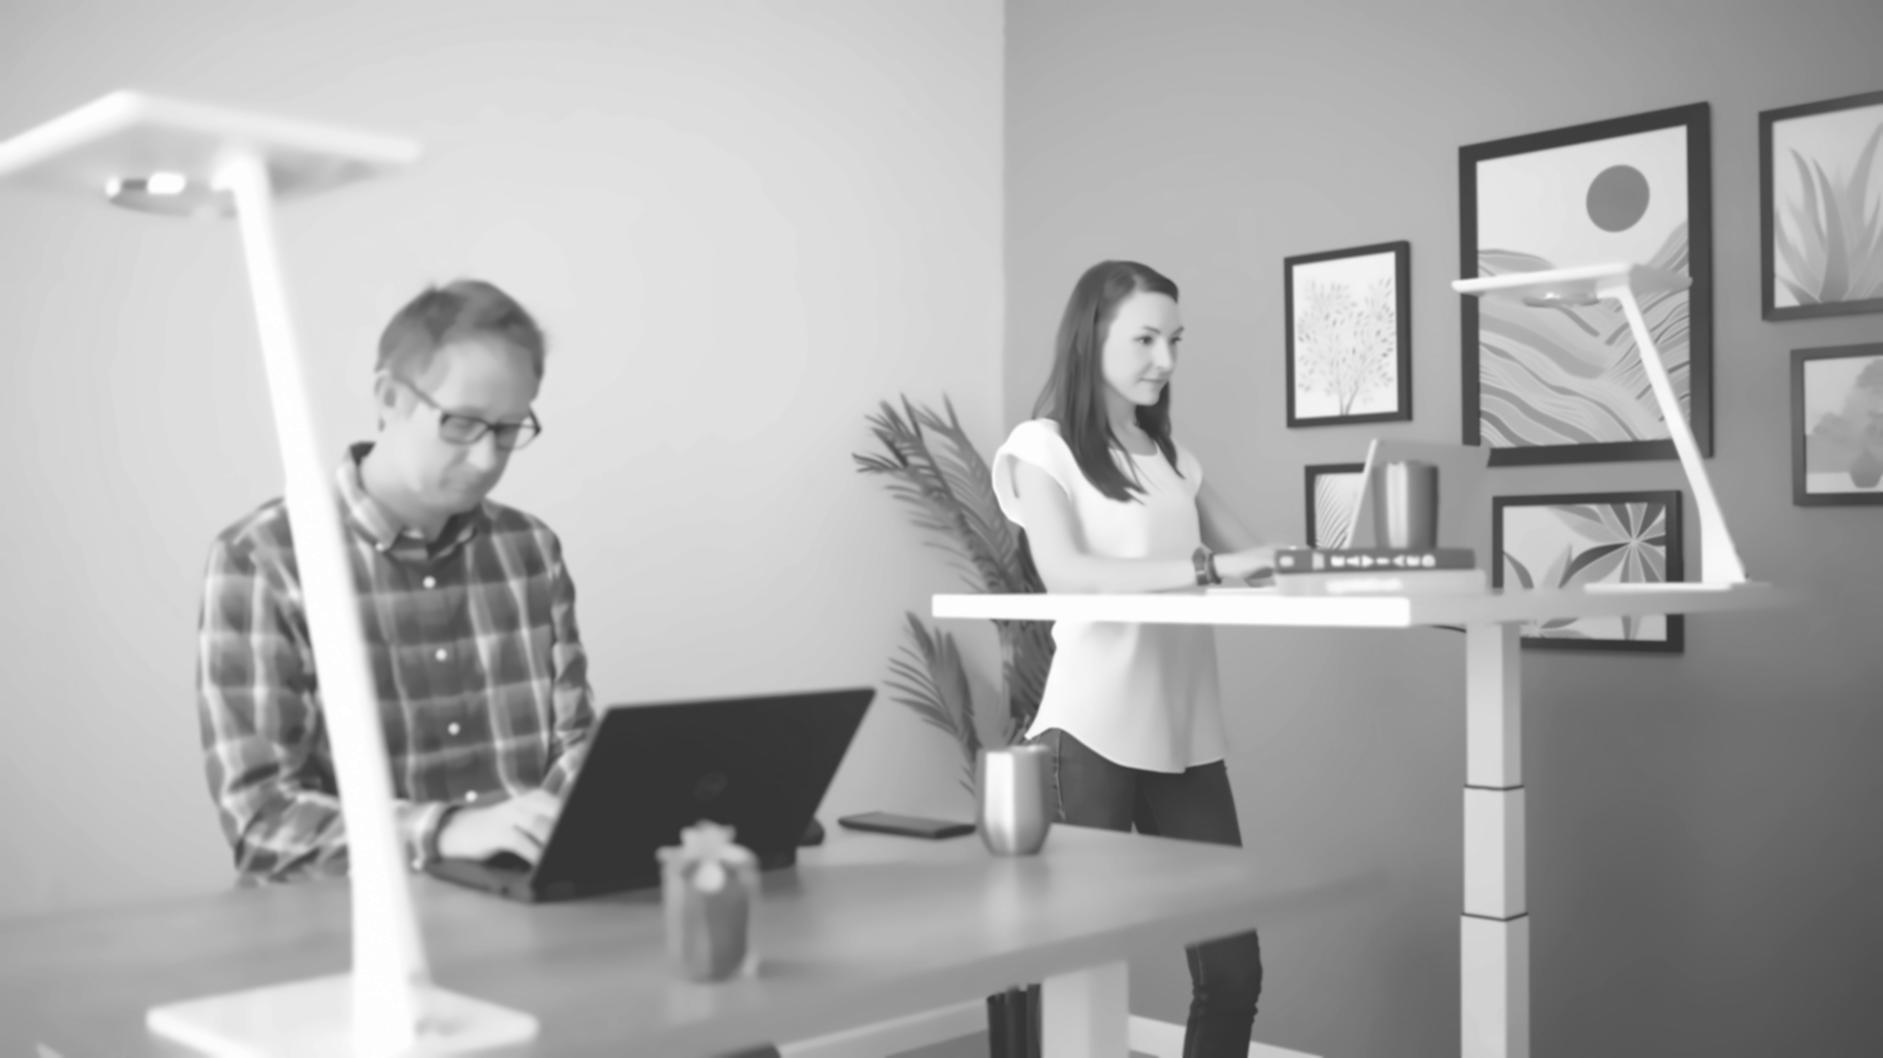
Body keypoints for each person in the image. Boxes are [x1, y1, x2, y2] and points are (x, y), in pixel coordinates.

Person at [195, 278, 594, 883]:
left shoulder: (530, 549)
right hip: (349, 920)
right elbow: (262, 821)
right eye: (463, 424)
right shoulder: (264, 559)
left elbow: (572, 748)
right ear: (390, 398)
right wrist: (448, 832)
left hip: (523, 904)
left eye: (509, 429)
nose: (487, 459)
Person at [990, 260, 1279, 1057]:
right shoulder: (1041, 447)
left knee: (1233, 974)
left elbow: (1256, 560)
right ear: (1092, 337)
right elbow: (1066, 573)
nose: (1166, 359)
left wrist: (1363, 559)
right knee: (1078, 978)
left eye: (1175, 341)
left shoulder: (1170, 455)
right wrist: (1211, 569)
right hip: (1090, 734)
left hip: (1186, 738)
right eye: (1146, 339)